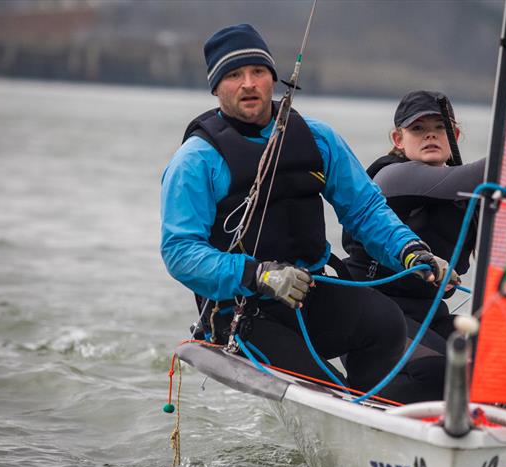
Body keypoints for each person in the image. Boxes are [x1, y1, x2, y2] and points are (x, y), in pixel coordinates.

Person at [160, 25, 456, 403]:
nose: (248, 83)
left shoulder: (317, 139)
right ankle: (346, 410)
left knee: (383, 322)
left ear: (273, 79)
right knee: (330, 390)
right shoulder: (196, 160)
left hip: (308, 292)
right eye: (234, 75)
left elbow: (364, 209)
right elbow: (180, 252)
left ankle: (376, 414)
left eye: (258, 72)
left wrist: (410, 250)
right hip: (242, 312)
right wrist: (258, 274)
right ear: (217, 88)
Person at [343, 90, 485, 354]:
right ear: (398, 140)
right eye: (417, 128)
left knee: (492, 354)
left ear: (454, 136)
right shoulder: (391, 177)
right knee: (441, 370)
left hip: (426, 315)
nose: (429, 134)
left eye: (439, 127)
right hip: (372, 314)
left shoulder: (466, 199)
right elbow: (489, 172)